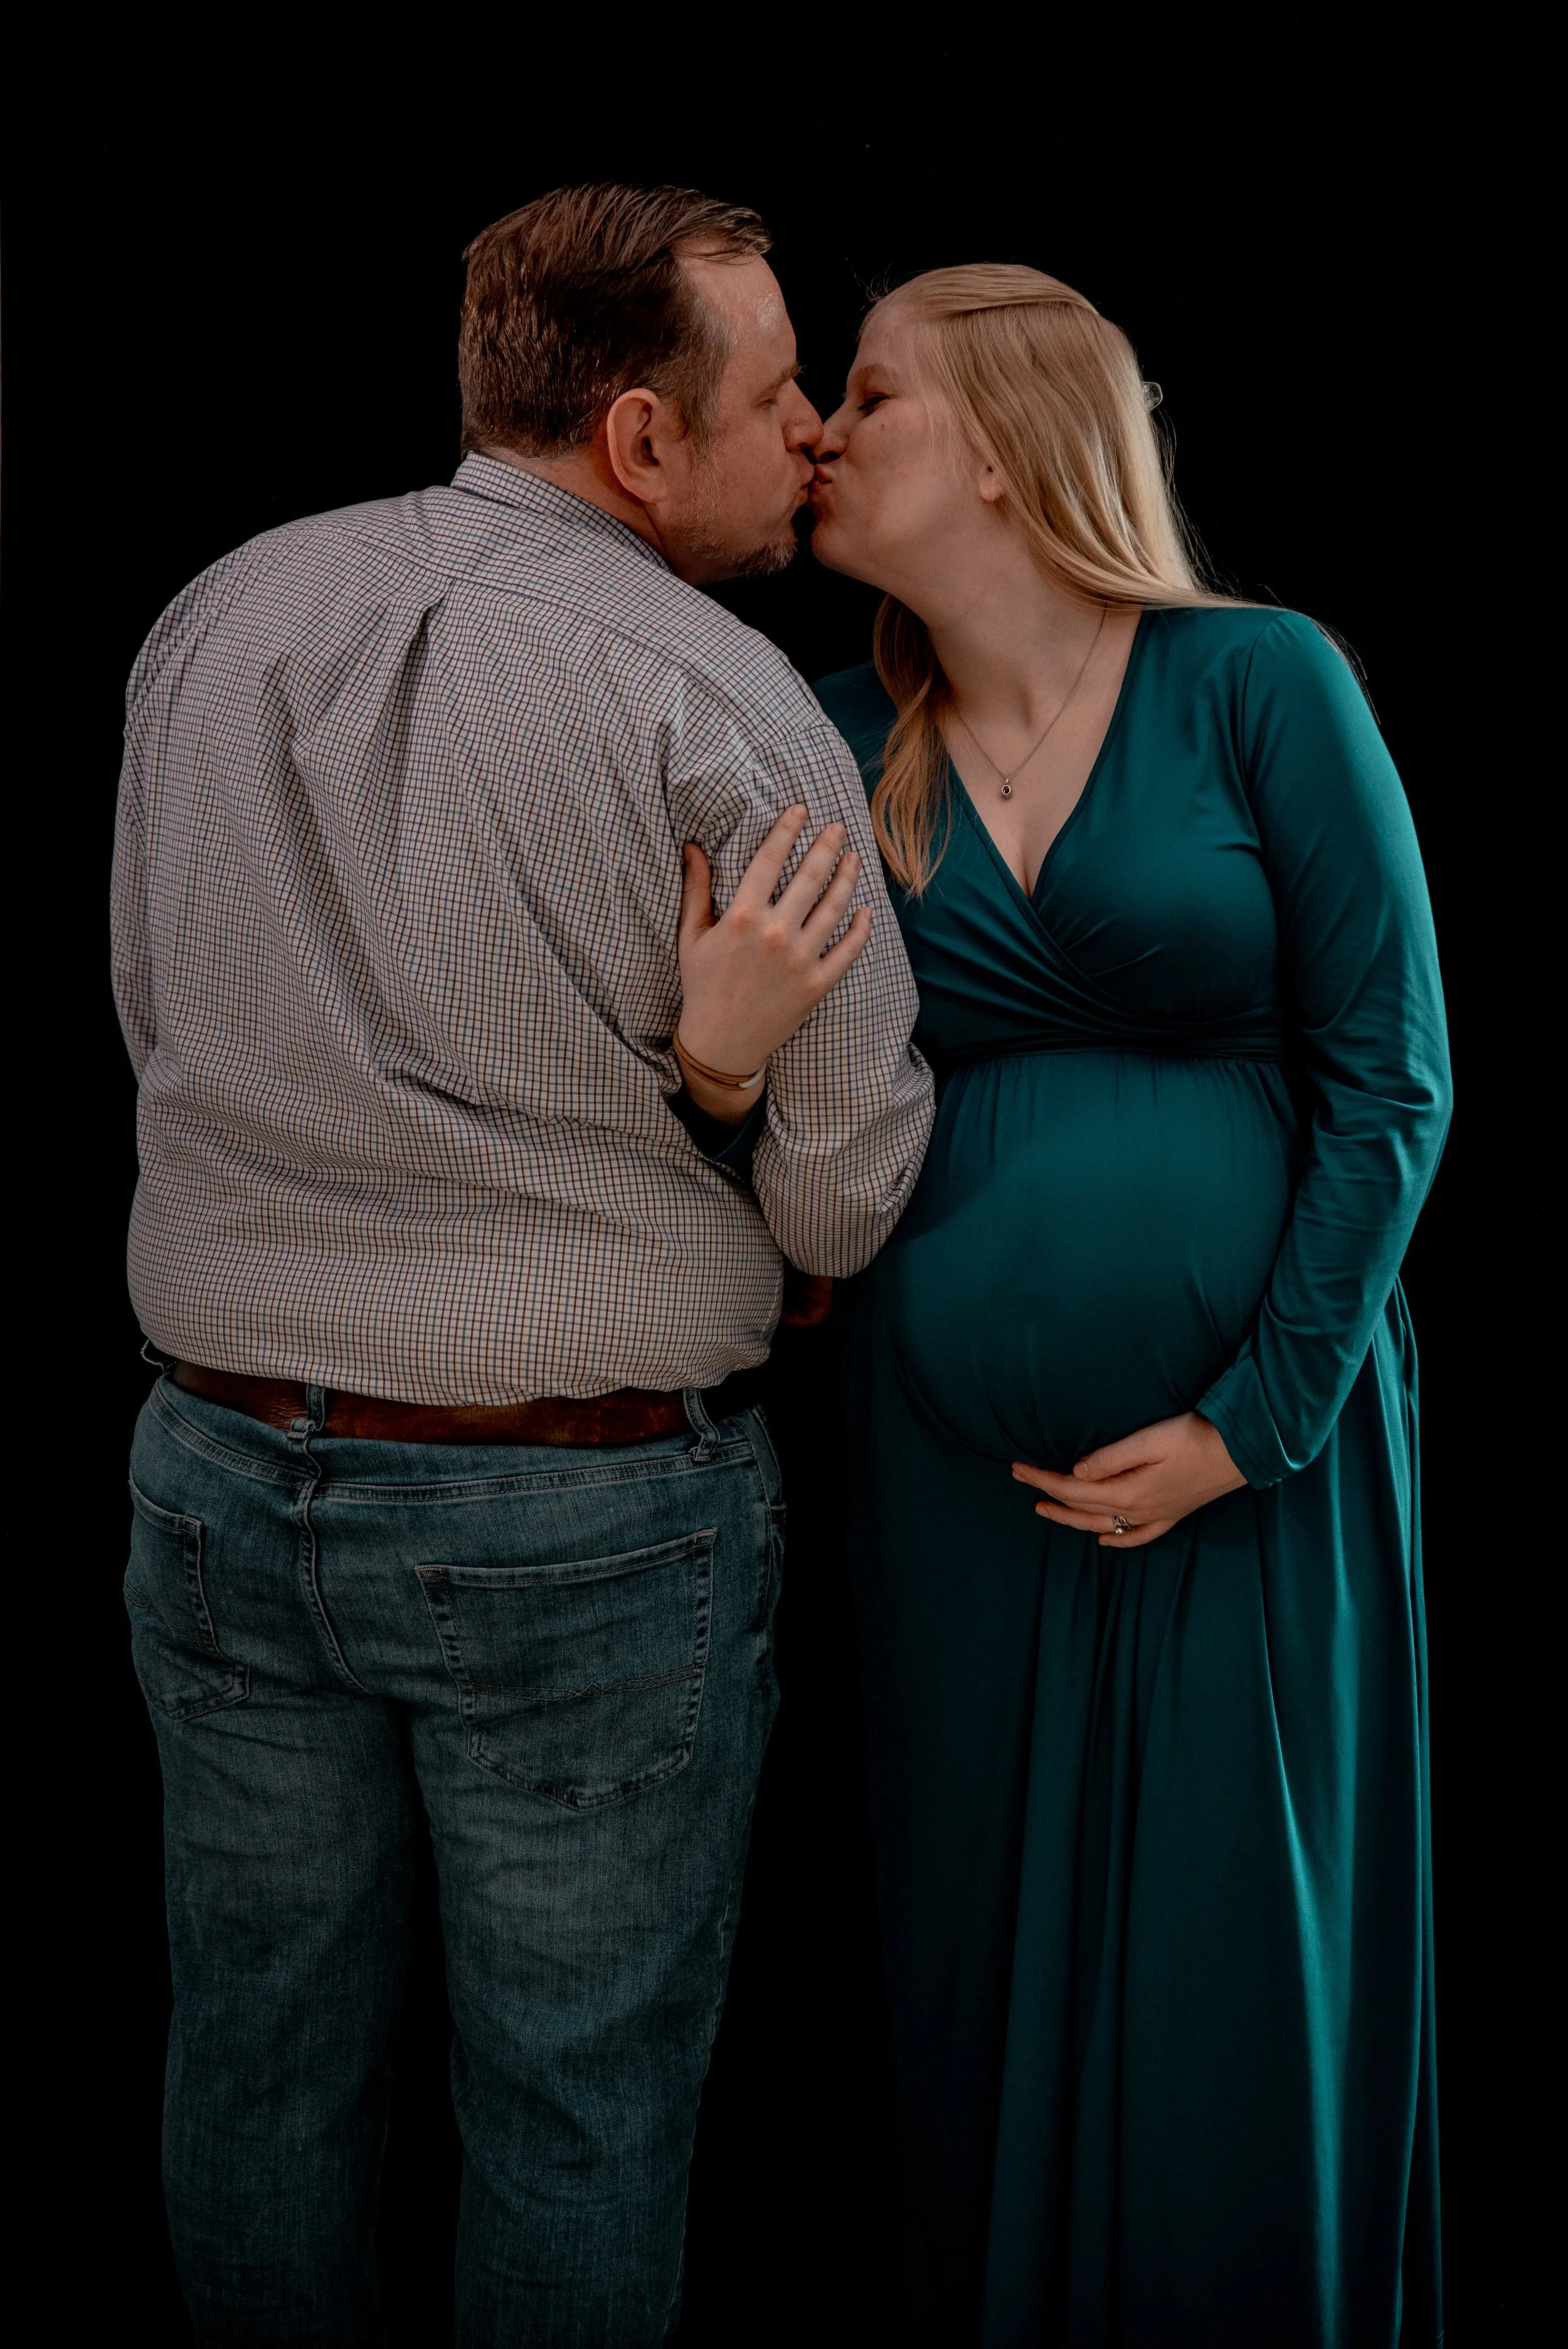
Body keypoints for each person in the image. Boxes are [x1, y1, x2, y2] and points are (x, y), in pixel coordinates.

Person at [111, 182, 931, 2347]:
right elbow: (849, 1202)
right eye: (775, 405)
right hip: (577, 1523)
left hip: (210, 1476)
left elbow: (149, 1011)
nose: (812, 449)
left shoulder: (217, 613)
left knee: (255, 2073)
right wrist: (710, 1095)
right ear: (643, 440)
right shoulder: (730, 706)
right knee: (575, 2108)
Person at [803, 267, 1450, 2345]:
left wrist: (1257, 1417)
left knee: (1223, 1963)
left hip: (1247, 1460)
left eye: (868, 393)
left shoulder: (1260, 680)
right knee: (966, 1960)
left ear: (996, 440)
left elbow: (1392, 1070)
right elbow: (767, 1095)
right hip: (947, 1483)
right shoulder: (835, 739)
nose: (818, 429)